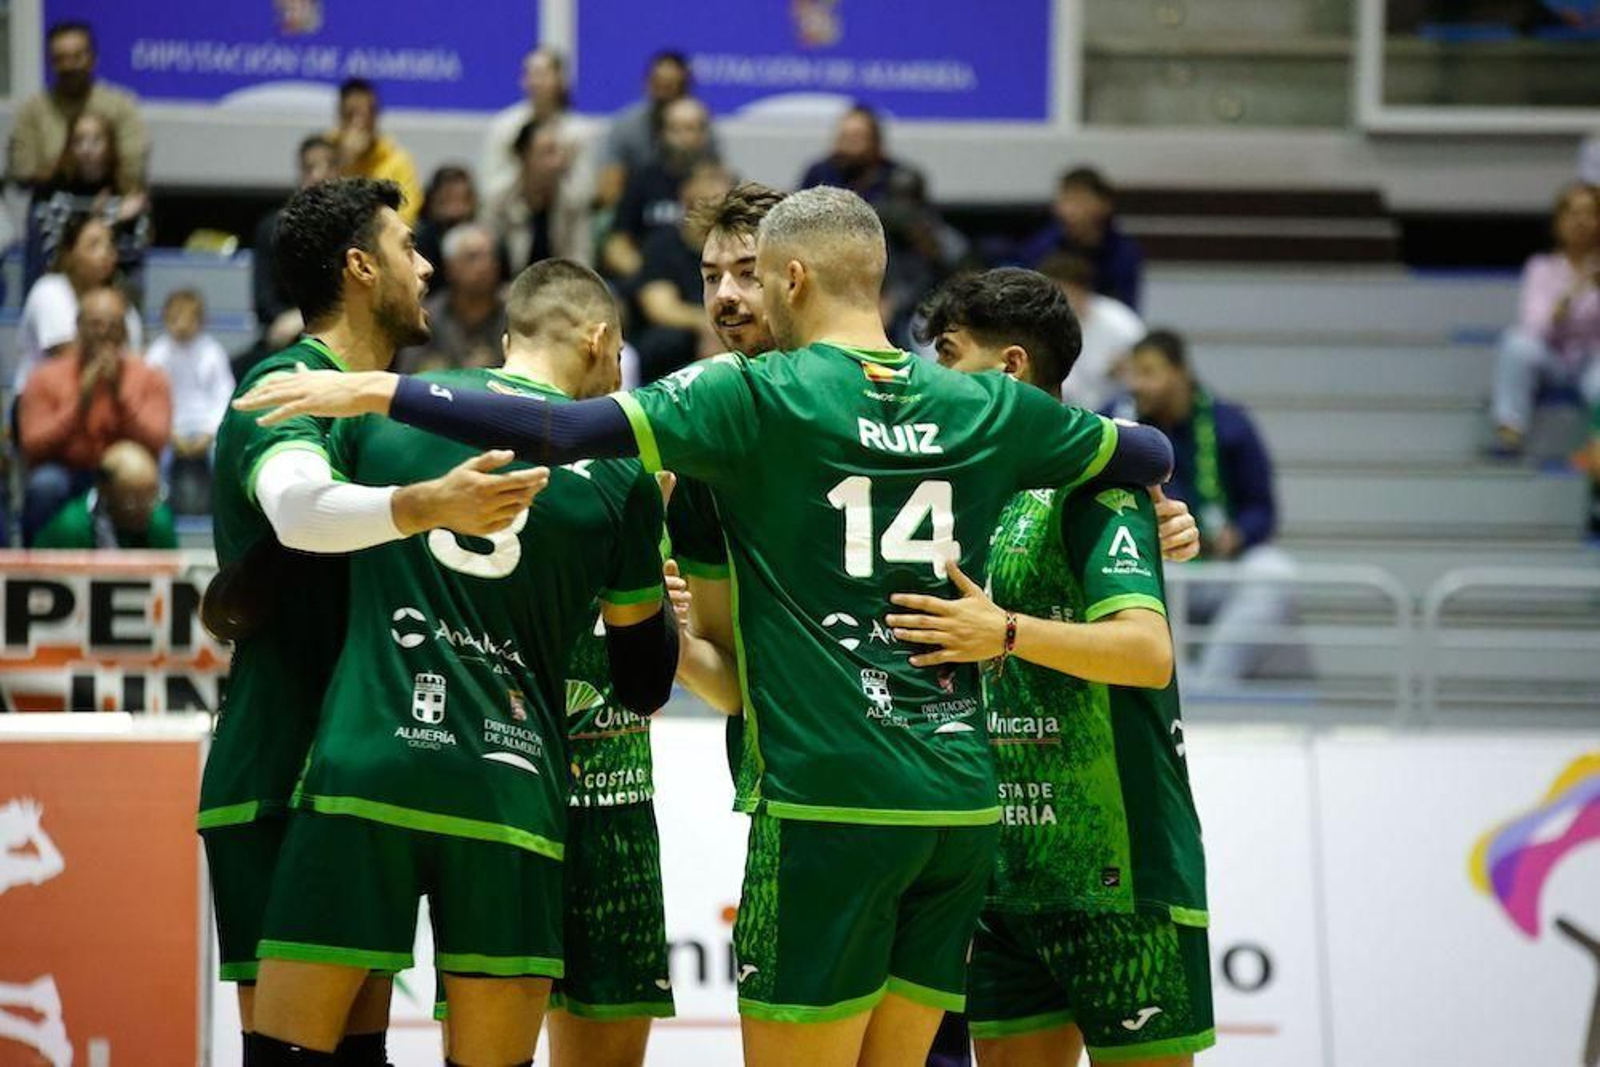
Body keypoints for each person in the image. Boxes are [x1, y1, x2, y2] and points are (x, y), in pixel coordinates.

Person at [235, 186, 1181, 1067]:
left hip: (825, 803)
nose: (733, 297)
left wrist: (376, 392)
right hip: (957, 801)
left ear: (793, 279)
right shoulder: (985, 404)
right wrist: (1150, 501)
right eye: (713, 277)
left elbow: (562, 431)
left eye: (752, 273)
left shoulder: (752, 398)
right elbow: (1147, 446)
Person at [248, 259, 676, 1067]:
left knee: (286, 1054)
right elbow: (641, 680)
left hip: (365, 764)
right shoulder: (621, 475)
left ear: (508, 337)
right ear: (599, 339)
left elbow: (298, 531)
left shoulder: (380, 416)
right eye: (616, 356)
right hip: (508, 789)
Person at [197, 177, 547, 1064]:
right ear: (360, 267)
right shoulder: (289, 381)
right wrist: (428, 503)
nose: (427, 267)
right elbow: (299, 510)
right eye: (407, 248)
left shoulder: (382, 399)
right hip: (281, 770)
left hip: (363, 768)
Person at [904, 269, 1213, 1067]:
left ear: (1009, 367)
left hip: (1122, 871)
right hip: (1004, 873)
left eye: (946, 353)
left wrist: (1005, 631)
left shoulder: (1099, 487)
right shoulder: (961, 492)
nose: (930, 376)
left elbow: (1147, 654)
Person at [1113, 330, 1297, 690]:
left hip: (1217, 565)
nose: (1137, 384)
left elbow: (1262, 508)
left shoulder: (1230, 424)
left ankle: (1211, 686)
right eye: (1133, 373)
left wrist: (1238, 535)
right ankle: (1164, 682)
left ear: (1181, 373)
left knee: (1276, 572)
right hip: (1150, 564)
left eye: (1149, 373)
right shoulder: (1116, 423)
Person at [17, 286, 168, 543]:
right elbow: (32, 444)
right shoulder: (44, 377)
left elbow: (157, 439)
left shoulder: (149, 376)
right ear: (78, 327)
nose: (104, 332)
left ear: (125, 331)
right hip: (66, 469)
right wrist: (79, 404)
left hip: (123, 474)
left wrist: (120, 395)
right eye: (95, 324)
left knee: (147, 485)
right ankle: (32, 568)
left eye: (113, 324)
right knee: (45, 485)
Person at [1490, 182, 1600, 454]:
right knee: (1516, 344)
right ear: (1558, 223)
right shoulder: (1540, 268)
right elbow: (1534, 326)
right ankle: (1510, 428)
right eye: (1573, 214)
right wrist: (1569, 299)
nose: (1581, 222)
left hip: (1595, 359)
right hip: (1552, 357)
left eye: (1589, 213)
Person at [7, 21, 147, 194]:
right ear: (50, 63)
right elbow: (23, 172)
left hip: (110, 203)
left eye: (77, 57)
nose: (69, 66)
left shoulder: (121, 105)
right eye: (61, 58)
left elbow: (133, 167)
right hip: (50, 205)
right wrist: (68, 163)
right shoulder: (32, 110)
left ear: (92, 58)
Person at [24, 110, 151, 294]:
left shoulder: (127, 193)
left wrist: (115, 221)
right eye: (79, 140)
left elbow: (134, 255)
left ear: (110, 144)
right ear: (69, 145)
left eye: (96, 140)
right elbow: (54, 255)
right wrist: (106, 218)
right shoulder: (52, 191)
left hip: (115, 291)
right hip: (61, 289)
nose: (87, 148)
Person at [244, 134, 339, 379]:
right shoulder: (272, 228)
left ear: (340, 172)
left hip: (339, 337)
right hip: (284, 337)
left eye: (327, 166)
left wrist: (305, 319)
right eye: (309, 168)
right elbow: (264, 301)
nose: (318, 175)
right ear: (299, 173)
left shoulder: (357, 231)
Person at [11, 213, 142, 391]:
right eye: (94, 245)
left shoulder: (123, 306)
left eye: (110, 245)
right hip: (44, 401)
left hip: (103, 402)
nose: (105, 253)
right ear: (69, 255)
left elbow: (133, 364)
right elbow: (68, 358)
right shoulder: (49, 290)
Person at [632, 161, 733, 382]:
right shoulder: (663, 244)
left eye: (717, 180)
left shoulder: (739, 247)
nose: (712, 189)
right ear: (684, 192)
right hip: (681, 340)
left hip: (731, 326)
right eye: (705, 180)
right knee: (665, 341)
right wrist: (707, 324)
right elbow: (659, 306)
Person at [603, 97, 714, 282]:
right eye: (675, 129)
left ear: (704, 135)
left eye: (691, 128)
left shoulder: (719, 184)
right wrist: (648, 273)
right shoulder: (643, 180)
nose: (683, 138)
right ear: (662, 134)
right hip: (648, 279)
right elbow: (616, 243)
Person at [144, 289, 234, 514]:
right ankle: (156, 504)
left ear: (201, 321)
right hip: (171, 426)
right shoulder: (157, 354)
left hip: (206, 426)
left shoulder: (213, 352)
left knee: (223, 454)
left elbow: (224, 396)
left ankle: (226, 506)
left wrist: (209, 432)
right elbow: (151, 400)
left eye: (188, 318)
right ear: (165, 318)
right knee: (156, 455)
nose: (181, 325)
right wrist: (169, 432)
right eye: (175, 318)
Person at [597, 50, 720, 209]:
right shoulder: (627, 126)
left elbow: (716, 180)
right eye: (658, 85)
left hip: (691, 208)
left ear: (685, 89)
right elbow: (608, 189)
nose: (663, 95)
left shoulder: (700, 123)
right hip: (637, 208)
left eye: (670, 87)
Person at [1016, 168, 1144, 312]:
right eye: (1065, 200)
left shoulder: (1124, 252)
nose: (1069, 210)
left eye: (1079, 201)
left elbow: (1126, 310)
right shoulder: (1040, 248)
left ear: (1104, 204)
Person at [479, 48, 587, 206]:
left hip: (563, 218)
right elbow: (488, 189)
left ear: (560, 80)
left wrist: (560, 172)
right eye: (530, 75)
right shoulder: (503, 127)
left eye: (542, 75)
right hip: (510, 218)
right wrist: (527, 173)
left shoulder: (580, 132)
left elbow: (585, 194)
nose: (535, 82)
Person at [395, 223, 506, 375]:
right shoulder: (426, 316)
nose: (485, 265)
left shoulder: (513, 315)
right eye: (473, 257)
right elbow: (409, 376)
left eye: (490, 256)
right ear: (450, 267)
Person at [488, 117, 595, 275]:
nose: (558, 162)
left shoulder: (574, 199)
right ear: (524, 156)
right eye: (549, 152)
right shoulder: (498, 200)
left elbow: (582, 260)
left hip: (561, 288)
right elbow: (490, 261)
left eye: (560, 152)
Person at [1040, 253, 1145, 411]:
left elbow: (1146, 373)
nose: (1054, 302)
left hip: (1117, 414)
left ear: (1082, 291)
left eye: (1063, 293)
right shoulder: (1042, 325)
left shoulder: (1121, 324)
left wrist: (1127, 370)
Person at [33, 440, 176, 549]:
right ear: (103, 490)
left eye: (151, 498)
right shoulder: (68, 529)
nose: (143, 511)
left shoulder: (159, 522)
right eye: (131, 502)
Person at [330, 79, 421, 225]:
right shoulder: (325, 152)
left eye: (367, 113)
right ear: (340, 115)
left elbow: (407, 215)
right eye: (351, 114)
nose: (359, 122)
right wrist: (344, 161)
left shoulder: (397, 159)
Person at [798, 105, 914, 207]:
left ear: (874, 143)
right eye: (843, 138)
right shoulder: (819, 174)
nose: (847, 146)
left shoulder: (899, 178)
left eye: (856, 138)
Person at [412, 165, 480, 287]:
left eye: (462, 199)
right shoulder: (419, 241)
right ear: (432, 201)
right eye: (448, 199)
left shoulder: (485, 239)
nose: (456, 209)